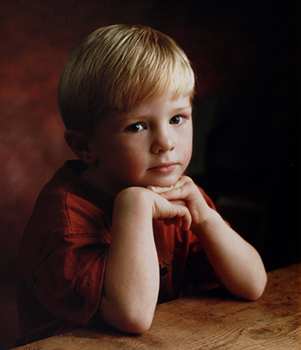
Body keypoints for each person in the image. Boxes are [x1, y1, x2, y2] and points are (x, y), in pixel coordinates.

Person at [16, 24, 267, 344]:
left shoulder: (179, 194)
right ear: (85, 147)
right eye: (136, 126)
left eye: (177, 119)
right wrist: (134, 206)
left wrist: (206, 219)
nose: (165, 142)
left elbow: (253, 284)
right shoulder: (64, 219)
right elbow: (131, 315)